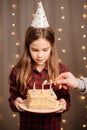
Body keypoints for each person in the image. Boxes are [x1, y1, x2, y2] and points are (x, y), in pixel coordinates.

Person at [8, 2, 70, 130]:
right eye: (35, 50)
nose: (40, 55)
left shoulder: (62, 71)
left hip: (52, 126)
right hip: (28, 126)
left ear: (52, 47)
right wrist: (16, 102)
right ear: (28, 47)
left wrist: (64, 104)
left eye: (45, 49)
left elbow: (65, 98)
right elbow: (13, 98)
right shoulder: (18, 71)